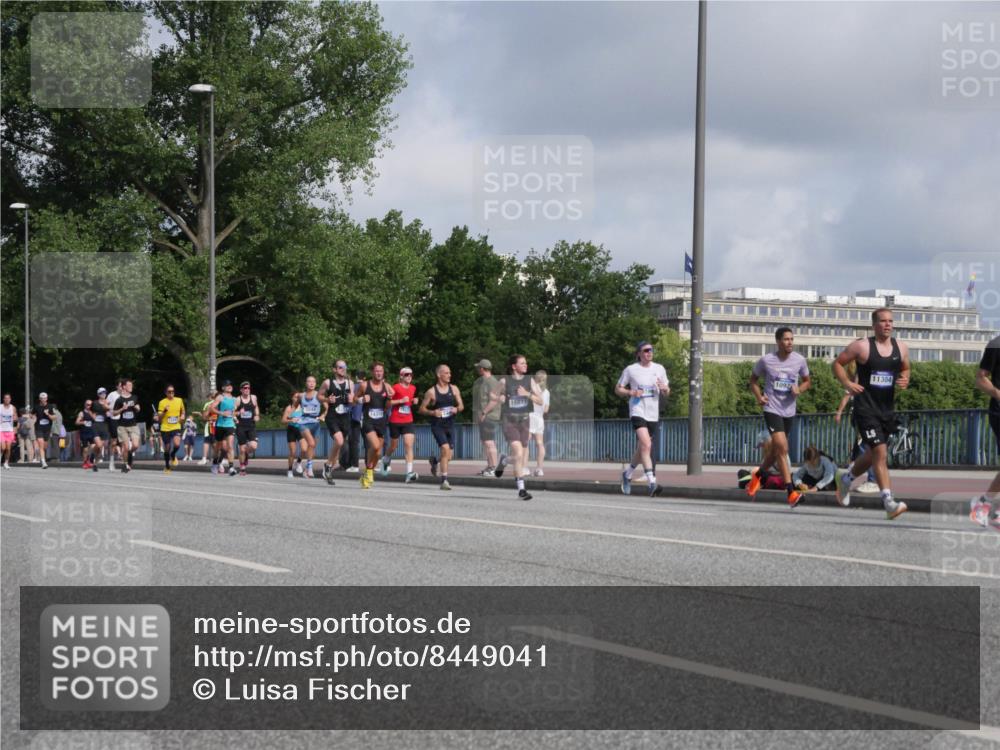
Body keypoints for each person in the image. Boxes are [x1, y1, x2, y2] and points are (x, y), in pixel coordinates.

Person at [832, 307, 910, 520]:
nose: (888, 324)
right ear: (874, 325)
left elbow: (905, 368)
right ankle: (889, 503)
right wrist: (847, 383)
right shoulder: (862, 346)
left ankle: (845, 479)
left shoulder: (901, 347)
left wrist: (905, 379)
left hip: (886, 409)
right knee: (881, 453)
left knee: (872, 454)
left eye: (891, 321)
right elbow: (837, 364)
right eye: (883, 321)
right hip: (865, 409)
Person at [746, 327, 811, 508]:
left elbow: (807, 381)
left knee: (776, 452)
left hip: (789, 411)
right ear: (778, 341)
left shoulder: (799, 360)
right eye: (786, 339)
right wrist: (759, 397)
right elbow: (753, 381)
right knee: (783, 448)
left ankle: (758, 476)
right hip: (771, 408)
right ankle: (791, 493)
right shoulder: (767, 360)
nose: (790, 342)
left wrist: (799, 389)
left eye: (792, 339)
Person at [615, 341, 670, 497]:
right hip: (637, 410)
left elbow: (667, 391)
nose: (649, 352)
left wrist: (665, 389)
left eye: (651, 350)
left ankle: (627, 474)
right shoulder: (631, 369)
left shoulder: (659, 369)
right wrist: (631, 393)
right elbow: (618, 389)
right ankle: (652, 483)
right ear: (639, 353)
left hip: (653, 413)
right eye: (646, 350)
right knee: (646, 444)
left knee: (642, 447)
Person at [489, 354, 542, 501]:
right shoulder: (504, 381)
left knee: (520, 457)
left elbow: (540, 401)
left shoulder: (529, 380)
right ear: (514, 366)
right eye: (522, 363)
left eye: (526, 363)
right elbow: (492, 394)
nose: (525, 365)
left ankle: (504, 461)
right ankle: (521, 490)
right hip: (510, 421)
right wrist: (499, 398)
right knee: (518, 453)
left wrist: (527, 394)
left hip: (525, 421)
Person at [419, 363, 464, 491]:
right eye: (446, 373)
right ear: (439, 375)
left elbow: (461, 406)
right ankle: (444, 481)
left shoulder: (454, 389)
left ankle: (435, 462)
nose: (449, 375)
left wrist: (457, 409)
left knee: (449, 456)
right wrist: (432, 412)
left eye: (450, 373)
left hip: (450, 425)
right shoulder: (431, 392)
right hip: (437, 425)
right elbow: (421, 409)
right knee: (445, 449)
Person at [834, 365, 879, 494]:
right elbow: (848, 395)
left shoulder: (862, 375)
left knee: (865, 447)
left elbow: (848, 395)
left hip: (864, 414)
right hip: (864, 414)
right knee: (860, 448)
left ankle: (872, 480)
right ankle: (850, 476)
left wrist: (839, 412)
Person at [971, 335, 1000, 529]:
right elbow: (980, 379)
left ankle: (987, 507)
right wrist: (998, 394)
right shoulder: (996, 345)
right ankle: (985, 506)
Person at [357, 363, 393, 489]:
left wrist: (389, 399)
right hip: (368, 420)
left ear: (383, 373)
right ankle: (369, 472)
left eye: (381, 371)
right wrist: (362, 399)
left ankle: (367, 472)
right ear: (372, 372)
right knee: (376, 445)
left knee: (378, 453)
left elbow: (387, 407)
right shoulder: (364, 385)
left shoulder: (386, 386)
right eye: (376, 371)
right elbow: (353, 400)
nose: (379, 373)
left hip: (381, 421)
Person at [319, 360, 353, 484]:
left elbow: (353, 401)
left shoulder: (350, 383)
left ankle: (328, 467)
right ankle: (328, 467)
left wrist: (352, 399)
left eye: (344, 367)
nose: (343, 369)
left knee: (339, 446)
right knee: (339, 441)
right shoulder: (328, 383)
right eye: (340, 367)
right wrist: (327, 399)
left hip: (345, 418)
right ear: (334, 369)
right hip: (332, 416)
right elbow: (319, 396)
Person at [384, 367, 419, 483]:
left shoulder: (413, 388)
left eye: (411, 374)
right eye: (406, 374)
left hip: (408, 420)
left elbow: (410, 401)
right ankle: (386, 459)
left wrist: (414, 401)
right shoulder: (395, 387)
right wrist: (400, 401)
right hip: (395, 420)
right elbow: (388, 404)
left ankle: (409, 473)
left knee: (408, 445)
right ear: (401, 376)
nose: (409, 377)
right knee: (393, 446)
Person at [474, 359, 502, 477]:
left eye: (478, 367)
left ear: (482, 369)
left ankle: (494, 468)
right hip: (485, 416)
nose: (477, 369)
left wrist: (484, 412)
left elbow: (494, 400)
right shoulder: (484, 382)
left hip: (490, 416)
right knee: (485, 442)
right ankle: (490, 466)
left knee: (489, 442)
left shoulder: (492, 382)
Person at [295, 376, 324, 479]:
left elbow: (327, 407)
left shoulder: (319, 395)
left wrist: (323, 415)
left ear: (316, 384)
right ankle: (310, 468)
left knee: (312, 447)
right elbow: (295, 406)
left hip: (315, 423)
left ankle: (302, 465)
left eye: (313, 382)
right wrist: (295, 415)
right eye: (309, 381)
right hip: (304, 423)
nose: (311, 383)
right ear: (306, 383)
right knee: (311, 443)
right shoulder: (301, 396)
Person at [111, 378, 142, 473]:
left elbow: (138, 408)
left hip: (133, 425)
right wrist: (122, 409)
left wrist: (137, 408)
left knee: (135, 445)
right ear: (124, 387)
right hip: (122, 426)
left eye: (131, 385)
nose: (131, 387)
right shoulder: (119, 400)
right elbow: (114, 413)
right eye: (129, 385)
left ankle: (129, 454)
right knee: (125, 447)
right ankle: (125, 464)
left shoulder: (134, 397)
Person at [208, 381, 237, 475]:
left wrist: (235, 417)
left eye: (230, 385)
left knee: (230, 446)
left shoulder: (234, 399)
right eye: (227, 385)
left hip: (230, 425)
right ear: (223, 388)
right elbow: (211, 408)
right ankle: (215, 463)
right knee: (218, 447)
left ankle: (231, 467)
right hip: (220, 425)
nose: (229, 386)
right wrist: (221, 413)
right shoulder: (220, 397)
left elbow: (233, 412)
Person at [157, 384, 185, 473]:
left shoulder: (179, 400)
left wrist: (182, 416)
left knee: (177, 444)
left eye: (173, 391)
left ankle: (173, 455)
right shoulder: (162, 402)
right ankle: (167, 466)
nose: (171, 393)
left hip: (176, 426)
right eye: (169, 392)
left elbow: (183, 411)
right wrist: (164, 411)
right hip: (165, 428)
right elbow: (159, 418)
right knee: (167, 447)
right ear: (166, 393)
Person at [235, 381, 260, 476]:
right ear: (241, 390)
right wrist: (238, 413)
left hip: (251, 426)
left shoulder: (253, 397)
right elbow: (232, 412)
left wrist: (257, 415)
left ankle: (246, 453)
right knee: (241, 449)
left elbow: (256, 407)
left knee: (253, 446)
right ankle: (242, 467)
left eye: (248, 388)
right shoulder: (238, 400)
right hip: (241, 427)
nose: (247, 389)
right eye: (245, 388)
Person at [529, 370, 550, 477]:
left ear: (536, 378)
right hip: (540, 418)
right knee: (540, 444)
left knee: (524, 443)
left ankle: (523, 467)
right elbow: (546, 410)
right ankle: (539, 469)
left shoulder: (533, 388)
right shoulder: (547, 392)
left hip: (531, 416)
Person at [85, 388, 111, 472]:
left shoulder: (108, 402)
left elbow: (110, 412)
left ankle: (95, 464)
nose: (103, 394)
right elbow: (89, 410)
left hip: (104, 425)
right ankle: (92, 455)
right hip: (96, 425)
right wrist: (93, 416)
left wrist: (108, 413)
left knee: (101, 447)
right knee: (99, 445)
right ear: (98, 394)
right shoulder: (95, 403)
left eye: (104, 392)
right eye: (101, 393)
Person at [282, 392, 306, 479]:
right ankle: (290, 470)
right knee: (293, 452)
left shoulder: (303, 407)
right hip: (291, 430)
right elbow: (283, 420)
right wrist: (291, 420)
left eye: (298, 397)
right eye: (295, 397)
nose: (297, 399)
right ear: (292, 398)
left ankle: (298, 462)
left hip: (301, 429)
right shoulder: (289, 408)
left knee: (304, 449)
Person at [32, 392, 57, 468]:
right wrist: (33, 417)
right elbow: (31, 414)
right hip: (38, 428)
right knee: (41, 444)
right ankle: (43, 462)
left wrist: (48, 414)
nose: (43, 400)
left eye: (44, 398)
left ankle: (42, 457)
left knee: (44, 446)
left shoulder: (50, 406)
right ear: (39, 399)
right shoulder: (36, 407)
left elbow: (54, 418)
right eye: (42, 398)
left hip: (47, 429)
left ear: (47, 399)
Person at [75, 400, 95, 470]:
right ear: (85, 405)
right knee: (85, 449)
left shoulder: (93, 412)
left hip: (92, 432)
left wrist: (91, 414)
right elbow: (76, 422)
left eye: (90, 405)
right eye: (87, 404)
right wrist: (82, 422)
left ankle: (89, 460)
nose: (89, 406)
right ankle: (85, 462)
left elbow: (96, 420)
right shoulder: (81, 413)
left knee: (93, 447)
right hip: (84, 433)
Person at [199, 393, 217, 465]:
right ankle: (207, 459)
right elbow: (204, 417)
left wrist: (207, 417)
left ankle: (205, 459)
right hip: (213, 425)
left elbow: (204, 417)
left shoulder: (209, 404)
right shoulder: (217, 403)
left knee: (210, 442)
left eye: (208, 397)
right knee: (212, 442)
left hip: (215, 425)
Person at [0, 393, 16, 469]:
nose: (7, 399)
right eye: (5, 398)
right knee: (3, 448)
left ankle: (6, 463)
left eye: (8, 398)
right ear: (3, 399)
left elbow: (16, 417)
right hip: (1, 430)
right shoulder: (0, 407)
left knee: (8, 448)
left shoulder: (13, 408)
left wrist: (14, 418)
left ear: (10, 399)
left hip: (10, 430)